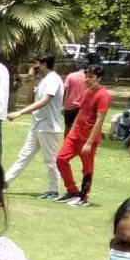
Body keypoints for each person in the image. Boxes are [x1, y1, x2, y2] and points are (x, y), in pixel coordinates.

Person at [6, 54, 65, 200]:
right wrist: (32, 81)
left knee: (50, 160)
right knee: (24, 156)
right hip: (37, 125)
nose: (34, 67)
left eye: (36, 65)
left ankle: (53, 190)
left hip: (48, 127)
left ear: (44, 64)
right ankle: (3, 183)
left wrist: (19, 113)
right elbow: (31, 101)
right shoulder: (43, 80)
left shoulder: (53, 79)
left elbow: (44, 101)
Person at [55, 65, 110, 209]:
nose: (87, 79)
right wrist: (71, 132)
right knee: (61, 159)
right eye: (86, 76)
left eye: (91, 77)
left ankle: (83, 197)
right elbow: (81, 112)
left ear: (99, 78)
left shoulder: (103, 95)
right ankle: (72, 191)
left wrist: (89, 142)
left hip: (88, 138)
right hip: (75, 135)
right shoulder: (87, 92)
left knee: (87, 168)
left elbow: (100, 120)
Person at [62, 59, 88, 133]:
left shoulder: (71, 76)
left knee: (68, 126)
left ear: (77, 66)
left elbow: (64, 90)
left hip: (69, 106)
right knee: (80, 128)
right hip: (82, 106)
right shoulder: (88, 78)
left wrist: (63, 103)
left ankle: (66, 143)